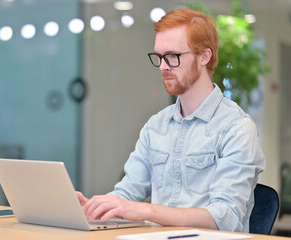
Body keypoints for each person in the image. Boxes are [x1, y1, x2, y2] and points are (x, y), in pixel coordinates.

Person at [76, 8, 266, 232]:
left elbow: (225, 217)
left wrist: (146, 210)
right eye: (159, 57)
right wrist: (95, 209)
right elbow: (127, 193)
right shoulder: (156, 126)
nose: (163, 66)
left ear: (204, 56)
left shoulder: (236, 128)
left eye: (173, 56)